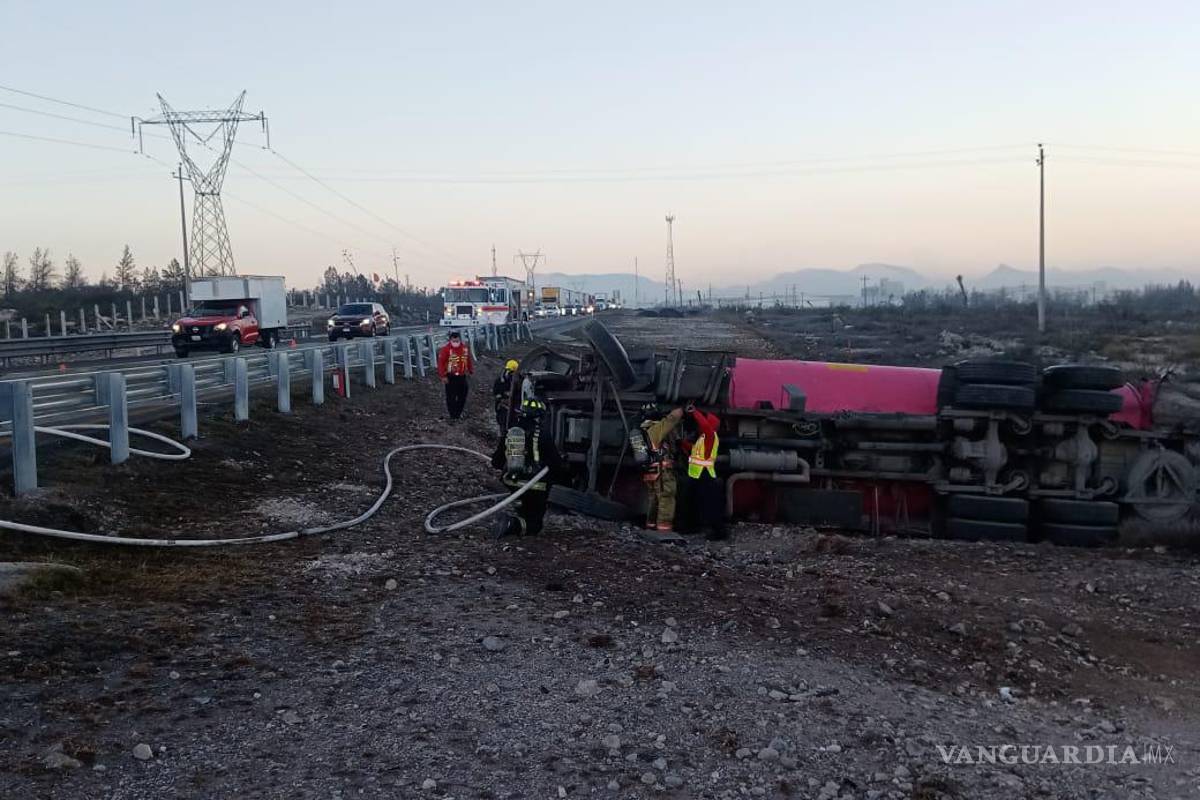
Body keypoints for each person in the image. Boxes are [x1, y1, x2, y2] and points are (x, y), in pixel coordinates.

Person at [490, 391, 565, 536]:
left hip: (512, 482)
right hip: (535, 485)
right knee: (535, 525)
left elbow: (496, 462)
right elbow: (555, 463)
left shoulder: (511, 432)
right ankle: (511, 523)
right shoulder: (542, 434)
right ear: (539, 416)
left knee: (524, 510)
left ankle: (515, 518)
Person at [681, 403, 727, 540]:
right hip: (697, 474)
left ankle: (718, 532)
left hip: (705, 474)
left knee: (709, 504)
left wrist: (695, 412)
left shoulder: (710, 435)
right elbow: (694, 451)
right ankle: (692, 526)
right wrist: (682, 443)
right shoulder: (702, 438)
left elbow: (706, 427)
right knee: (693, 501)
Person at [637, 404, 685, 531]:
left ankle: (651, 526)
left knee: (654, 499)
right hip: (662, 472)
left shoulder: (644, 429)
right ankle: (664, 529)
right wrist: (682, 408)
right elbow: (671, 419)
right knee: (666, 498)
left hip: (651, 471)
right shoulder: (656, 429)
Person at [436, 330, 474, 420]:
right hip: (450, 376)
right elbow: (441, 363)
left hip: (462, 376)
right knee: (451, 397)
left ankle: (458, 413)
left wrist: (470, 370)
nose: (456, 343)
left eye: (457, 341)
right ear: (450, 340)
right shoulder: (446, 350)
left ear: (460, 340)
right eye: (454, 341)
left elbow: (468, 359)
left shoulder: (464, 348)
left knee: (463, 395)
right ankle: (453, 415)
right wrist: (442, 376)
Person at [492, 359, 520, 430]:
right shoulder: (500, 381)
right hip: (503, 408)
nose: (513, 376)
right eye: (512, 373)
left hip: (514, 408)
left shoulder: (518, 382)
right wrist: (503, 398)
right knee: (503, 423)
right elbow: (496, 393)